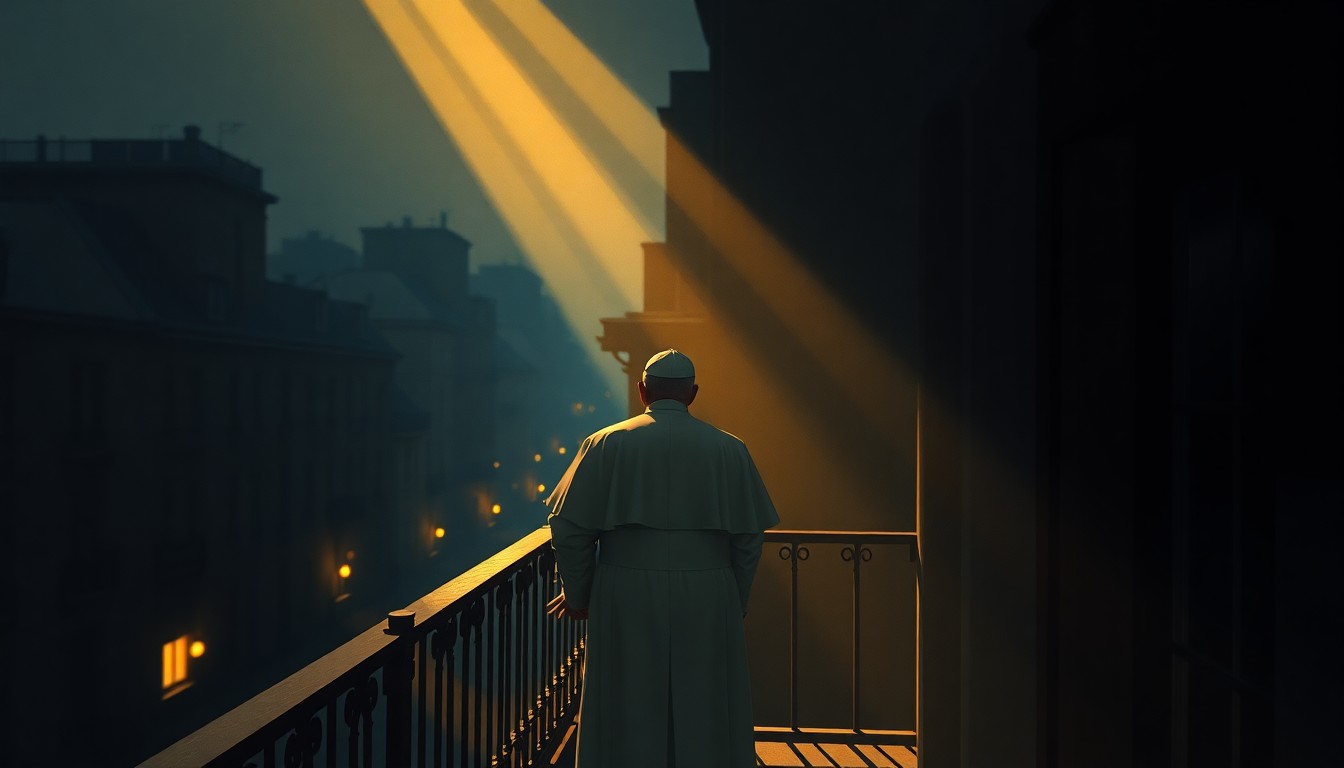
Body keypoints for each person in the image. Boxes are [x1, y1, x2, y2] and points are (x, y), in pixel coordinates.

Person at [545, 349, 779, 768]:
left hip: (625, 584)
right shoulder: (730, 449)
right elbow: (748, 538)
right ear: (693, 394)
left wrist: (579, 592)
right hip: (709, 587)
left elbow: (569, 527)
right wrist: (734, 598)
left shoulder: (604, 443)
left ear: (641, 391)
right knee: (706, 698)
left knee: (626, 697)